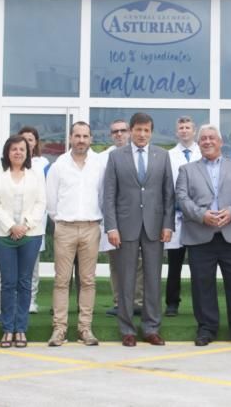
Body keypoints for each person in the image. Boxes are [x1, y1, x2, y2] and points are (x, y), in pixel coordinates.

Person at [175, 125, 231, 347]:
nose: (207, 142)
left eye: (212, 138)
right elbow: (182, 197)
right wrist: (202, 215)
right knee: (202, 285)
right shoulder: (186, 170)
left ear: (220, 142)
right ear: (198, 144)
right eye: (203, 139)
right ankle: (207, 329)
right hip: (200, 235)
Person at [102, 112, 175, 346]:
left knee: (153, 279)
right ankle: (127, 330)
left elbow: (168, 194)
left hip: (154, 227)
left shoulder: (162, 156)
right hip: (125, 227)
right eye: (138, 130)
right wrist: (111, 227)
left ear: (151, 132)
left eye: (146, 130)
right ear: (131, 131)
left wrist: (167, 224)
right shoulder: (116, 157)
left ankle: (151, 328)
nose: (142, 134)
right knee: (126, 280)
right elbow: (109, 194)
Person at [46, 122, 104, 347]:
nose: (81, 140)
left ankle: (85, 329)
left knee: (88, 281)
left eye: (85, 136)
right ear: (70, 138)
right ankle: (59, 329)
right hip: (66, 228)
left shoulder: (98, 165)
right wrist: (60, 221)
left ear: (90, 139)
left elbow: (102, 195)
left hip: (91, 227)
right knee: (61, 281)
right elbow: (51, 201)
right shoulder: (59, 165)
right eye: (77, 136)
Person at [0, 135, 47, 348]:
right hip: (3, 235)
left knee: (24, 282)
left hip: (30, 235)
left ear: (28, 152)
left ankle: (20, 328)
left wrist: (25, 225)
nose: (18, 152)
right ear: (7, 152)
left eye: (22, 149)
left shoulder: (36, 175)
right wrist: (10, 226)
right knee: (8, 282)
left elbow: (41, 203)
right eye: (14, 149)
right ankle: (7, 329)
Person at [102, 119, 144, 317]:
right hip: (116, 220)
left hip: (141, 220)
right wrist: (110, 224)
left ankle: (138, 301)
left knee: (141, 264)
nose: (119, 134)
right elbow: (105, 193)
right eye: (114, 131)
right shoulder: (103, 158)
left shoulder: (142, 154)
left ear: (130, 132)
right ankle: (120, 302)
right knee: (117, 264)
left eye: (123, 130)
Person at [165, 116, 201, 317]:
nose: (185, 130)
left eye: (188, 127)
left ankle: (200, 303)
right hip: (177, 216)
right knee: (174, 263)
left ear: (193, 131)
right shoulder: (169, 155)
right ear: (177, 132)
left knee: (198, 264)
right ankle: (172, 303)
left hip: (198, 217)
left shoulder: (201, 152)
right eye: (181, 128)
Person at [17, 125, 50, 315]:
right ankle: (15, 299)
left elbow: (45, 194)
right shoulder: (11, 161)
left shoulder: (42, 163)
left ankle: (30, 300)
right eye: (23, 139)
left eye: (30, 139)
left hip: (35, 221)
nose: (27, 143)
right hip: (13, 223)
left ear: (36, 142)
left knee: (32, 264)